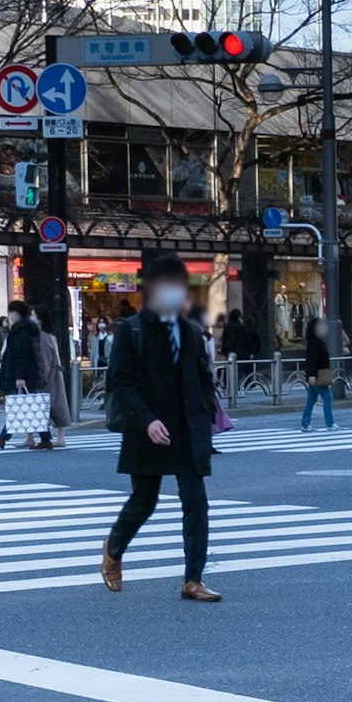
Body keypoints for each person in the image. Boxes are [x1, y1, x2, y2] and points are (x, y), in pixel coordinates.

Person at [101, 251, 223, 601]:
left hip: (185, 430)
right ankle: (114, 549)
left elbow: (202, 377)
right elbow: (120, 383)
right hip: (148, 430)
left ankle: (193, 580)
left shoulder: (190, 329)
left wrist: (206, 417)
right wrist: (146, 420)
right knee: (144, 500)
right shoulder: (133, 329)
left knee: (195, 502)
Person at [0, 299, 51, 450]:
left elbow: (22, 355)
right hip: (26, 374)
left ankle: (3, 438)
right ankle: (45, 439)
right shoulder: (24, 329)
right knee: (30, 408)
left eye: (12, 312)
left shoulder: (21, 332)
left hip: (22, 375)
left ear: (18, 314)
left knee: (19, 408)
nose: (10, 315)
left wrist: (20, 377)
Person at [298, 313, 337, 433]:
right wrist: (312, 375)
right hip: (318, 375)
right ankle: (329, 423)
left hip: (315, 375)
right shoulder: (315, 343)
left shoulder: (314, 342)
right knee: (327, 397)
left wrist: (310, 375)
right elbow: (312, 360)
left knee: (311, 399)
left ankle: (305, 424)